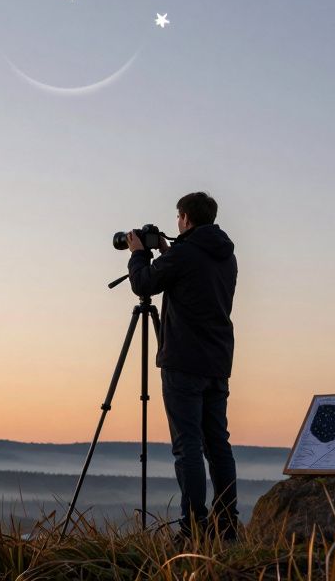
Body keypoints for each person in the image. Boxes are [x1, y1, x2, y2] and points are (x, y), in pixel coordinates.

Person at [126, 191, 239, 541]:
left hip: (183, 363)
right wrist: (166, 251)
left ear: (186, 218)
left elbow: (143, 284)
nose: (177, 223)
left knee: (187, 445)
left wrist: (138, 255)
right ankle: (227, 526)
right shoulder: (225, 256)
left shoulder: (185, 255)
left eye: (179, 217)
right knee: (217, 444)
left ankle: (192, 528)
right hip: (217, 362)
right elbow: (192, 276)